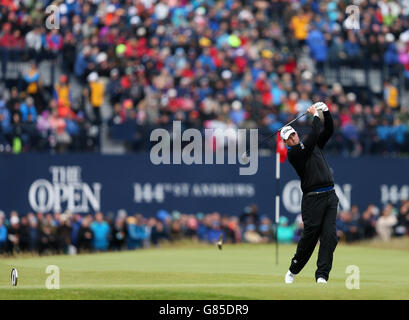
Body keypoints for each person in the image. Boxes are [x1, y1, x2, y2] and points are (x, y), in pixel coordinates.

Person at [280, 102, 339, 284]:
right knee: (310, 239)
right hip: (313, 200)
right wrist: (315, 114)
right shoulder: (294, 154)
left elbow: (328, 130)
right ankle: (293, 269)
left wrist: (326, 112)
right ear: (285, 142)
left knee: (330, 237)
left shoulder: (313, 146)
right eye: (288, 138)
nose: (292, 139)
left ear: (297, 134)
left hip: (330, 196)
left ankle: (322, 276)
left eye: (293, 135)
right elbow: (313, 135)